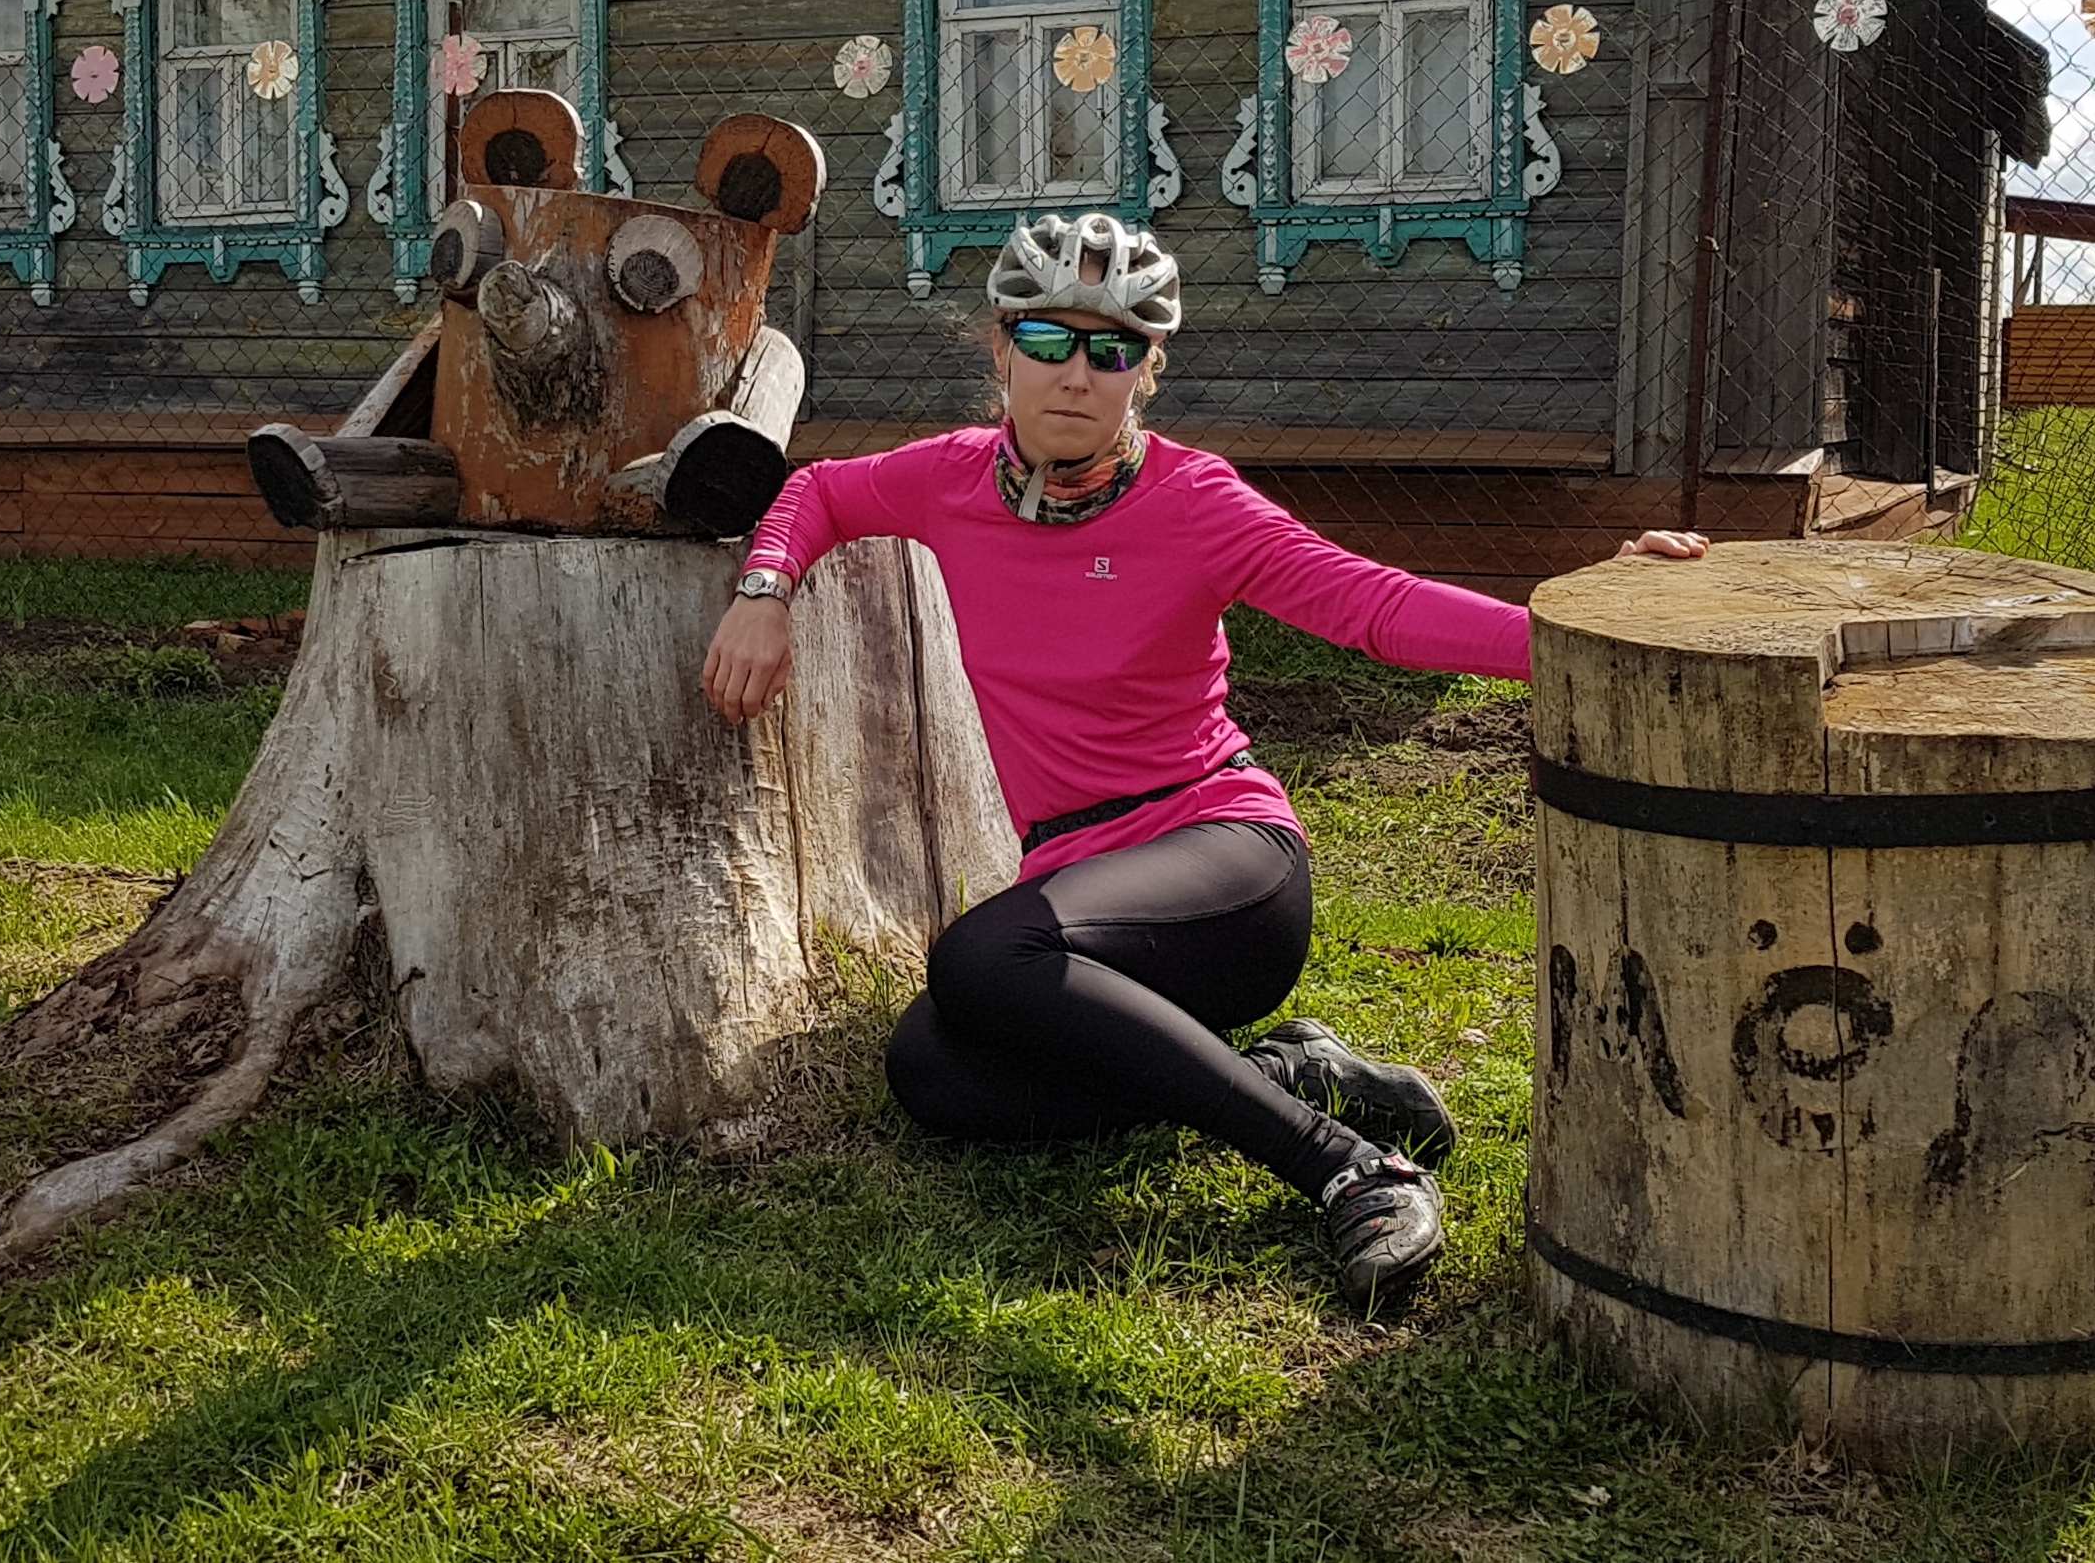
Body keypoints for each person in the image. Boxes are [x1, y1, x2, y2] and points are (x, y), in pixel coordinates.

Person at [702, 213, 1707, 1312]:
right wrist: (765, 591)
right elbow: (820, 491)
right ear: (1000, 350)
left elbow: (1375, 606)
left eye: (1113, 349)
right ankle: (1284, 1072)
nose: (1076, 374)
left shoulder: (1196, 500)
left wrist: (1574, 623)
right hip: (1081, 894)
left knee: (981, 959)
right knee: (931, 1069)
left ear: (1147, 371)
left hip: (1223, 863)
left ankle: (1348, 1168)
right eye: (1047, 340)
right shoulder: (944, 479)